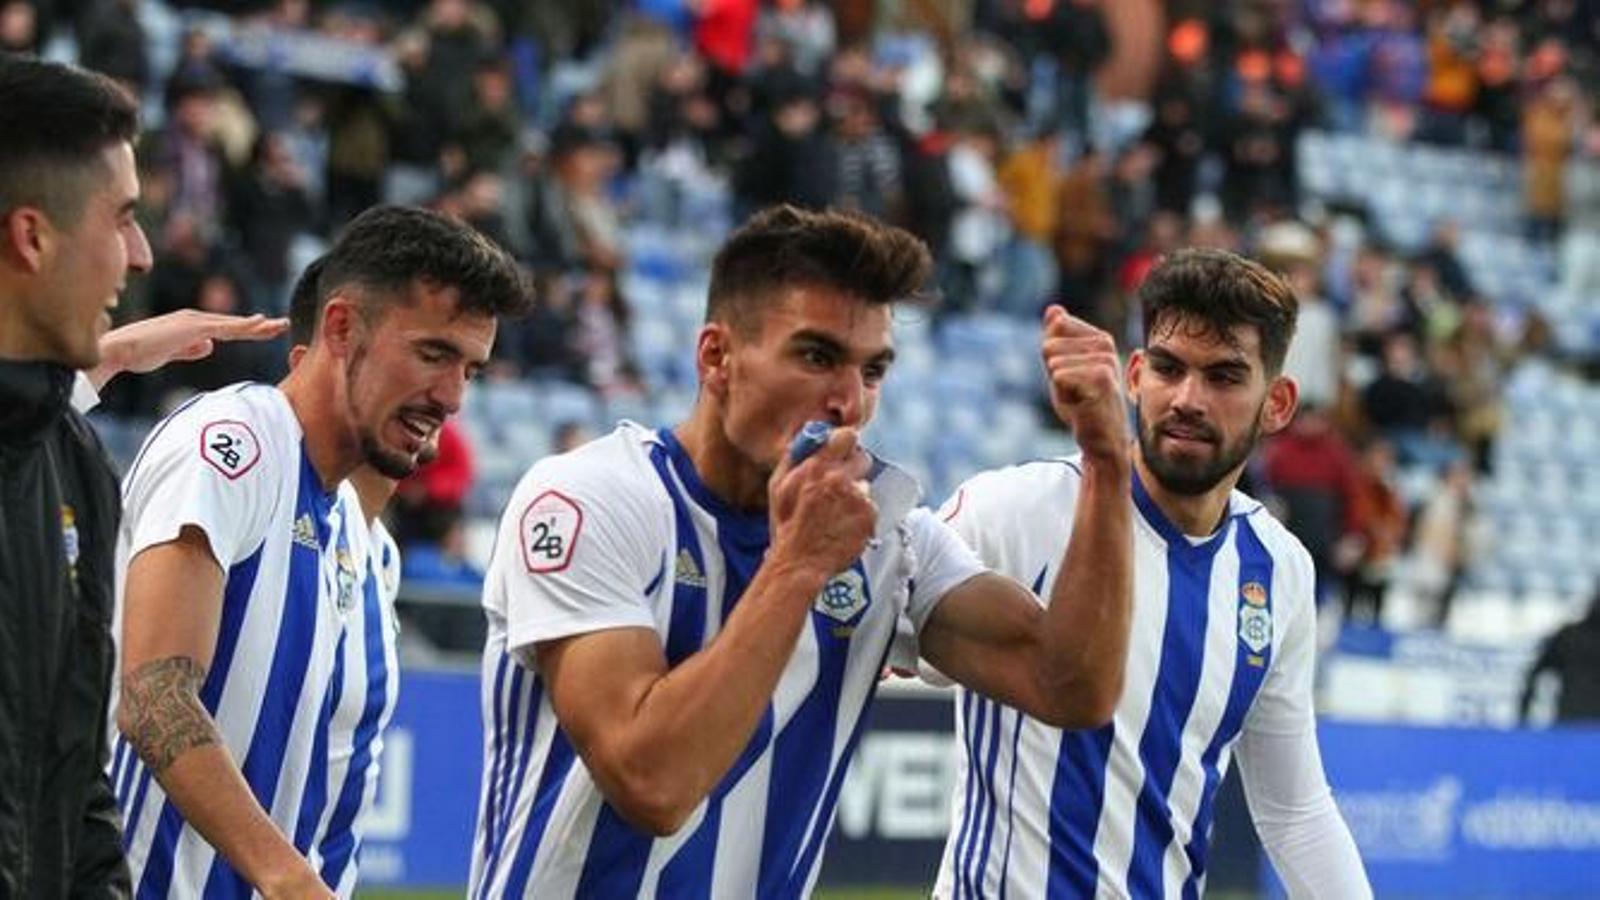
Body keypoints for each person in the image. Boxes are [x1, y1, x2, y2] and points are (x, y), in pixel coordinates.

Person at [469, 204, 1133, 897]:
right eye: (816, 356)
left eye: (873, 371)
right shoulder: (587, 500)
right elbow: (652, 783)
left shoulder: (886, 532)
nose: (848, 401)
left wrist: (1108, 461)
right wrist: (797, 565)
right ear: (717, 357)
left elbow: (1072, 686)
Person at [109, 204, 528, 898]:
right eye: (433, 353)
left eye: (472, 370)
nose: (453, 397)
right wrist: (288, 881)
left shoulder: (368, 548)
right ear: (340, 328)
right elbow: (153, 695)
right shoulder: (230, 446)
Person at [931, 249, 1371, 898]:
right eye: (1168, 368)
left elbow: (1294, 809)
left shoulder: (1279, 571)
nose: (1188, 399)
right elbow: (862, 648)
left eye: (1224, 377)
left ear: (1276, 403)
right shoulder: (1016, 511)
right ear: (1135, 376)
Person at [1, 55, 291, 896]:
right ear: (31, 236)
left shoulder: (73, 463)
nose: (140, 256)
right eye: (122, 218)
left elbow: (76, 782)